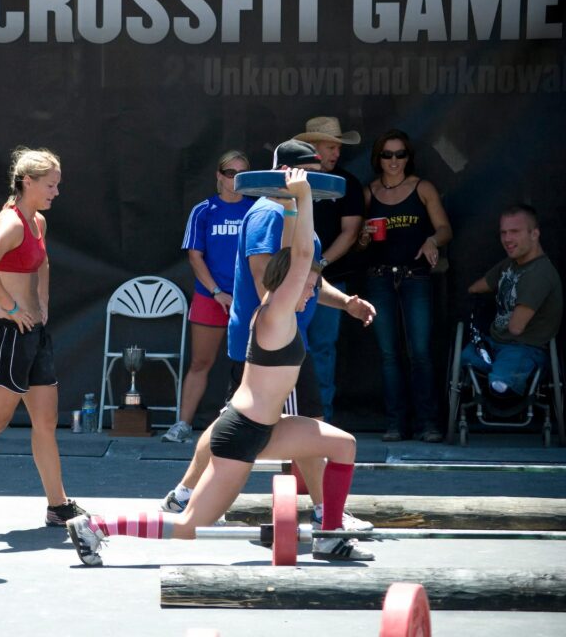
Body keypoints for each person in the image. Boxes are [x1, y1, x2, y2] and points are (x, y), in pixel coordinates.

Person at [67, 168, 374, 566]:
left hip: (267, 427)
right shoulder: (276, 313)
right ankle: (97, 526)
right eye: (309, 288)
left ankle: (330, 536)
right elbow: (301, 257)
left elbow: (293, 252)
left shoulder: (280, 306)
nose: (311, 296)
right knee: (191, 525)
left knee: (343, 444)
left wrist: (296, 213)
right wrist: (301, 196)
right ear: (289, 286)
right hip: (243, 433)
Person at [161, 140, 375, 534]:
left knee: (232, 419)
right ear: (291, 175)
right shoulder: (268, 214)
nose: (319, 179)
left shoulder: (293, 213)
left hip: (285, 339)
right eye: (311, 172)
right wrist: (280, 318)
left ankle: (185, 492)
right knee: (309, 426)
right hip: (274, 345)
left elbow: (306, 278)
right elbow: (271, 282)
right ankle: (326, 512)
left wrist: (345, 303)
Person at [0, 147, 87, 531]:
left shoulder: (37, 222)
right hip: (9, 335)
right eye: (51, 185)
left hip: (34, 336)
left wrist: (41, 305)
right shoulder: (10, 223)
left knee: (46, 420)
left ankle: (57, 505)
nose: (56, 192)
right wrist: (10, 307)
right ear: (27, 182)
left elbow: (42, 264)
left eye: (58, 185)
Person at [359, 129, 452, 442]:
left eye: (400, 154)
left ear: (408, 157)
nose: (394, 160)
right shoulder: (369, 193)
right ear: (378, 158)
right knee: (388, 354)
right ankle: (396, 423)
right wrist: (363, 238)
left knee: (421, 352)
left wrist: (432, 240)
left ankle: (428, 422)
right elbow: (357, 242)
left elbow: (444, 229)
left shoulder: (422, 188)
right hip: (379, 276)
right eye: (388, 154)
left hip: (415, 276)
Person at [161, 150, 255, 443]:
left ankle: (250, 428)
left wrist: (246, 296)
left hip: (248, 299)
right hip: (210, 297)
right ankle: (182, 425)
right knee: (200, 363)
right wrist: (217, 293)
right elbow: (194, 257)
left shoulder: (258, 209)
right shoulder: (204, 210)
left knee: (252, 365)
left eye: (241, 173)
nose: (234, 179)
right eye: (229, 172)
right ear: (218, 175)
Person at [292, 117, 365, 424]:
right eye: (330, 146)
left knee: (322, 350)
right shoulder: (291, 184)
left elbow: (350, 233)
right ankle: (284, 419)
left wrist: (318, 265)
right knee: (288, 347)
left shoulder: (348, 183)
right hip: (290, 280)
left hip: (330, 280)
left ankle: (321, 421)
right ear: (312, 148)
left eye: (338, 147)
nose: (336, 153)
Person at [463, 204, 562, 399]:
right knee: (463, 358)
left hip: (524, 348)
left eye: (515, 232)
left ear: (534, 234)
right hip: (495, 343)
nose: (507, 239)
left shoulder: (539, 274)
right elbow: (477, 287)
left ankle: (499, 384)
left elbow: (516, 327)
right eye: (504, 233)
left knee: (500, 381)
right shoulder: (510, 264)